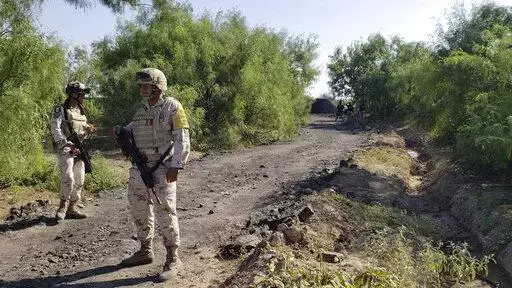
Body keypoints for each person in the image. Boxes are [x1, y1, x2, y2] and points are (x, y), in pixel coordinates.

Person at [117, 68, 190, 283]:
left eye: (145, 85)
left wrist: (176, 166)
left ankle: (172, 257)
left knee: (165, 211)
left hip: (162, 167)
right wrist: (120, 131)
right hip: (140, 168)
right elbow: (132, 131)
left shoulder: (172, 107)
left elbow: (181, 138)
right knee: (139, 208)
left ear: (158, 85)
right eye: (139, 86)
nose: (141, 89)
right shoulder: (141, 111)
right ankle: (145, 250)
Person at [50, 82, 95, 221]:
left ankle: (72, 208)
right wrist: (63, 142)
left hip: (80, 147)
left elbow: (83, 129)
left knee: (80, 177)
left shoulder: (81, 110)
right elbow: (55, 128)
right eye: (82, 94)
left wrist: (88, 130)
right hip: (66, 147)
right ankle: (62, 207)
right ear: (74, 94)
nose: (84, 96)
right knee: (68, 177)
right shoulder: (60, 109)